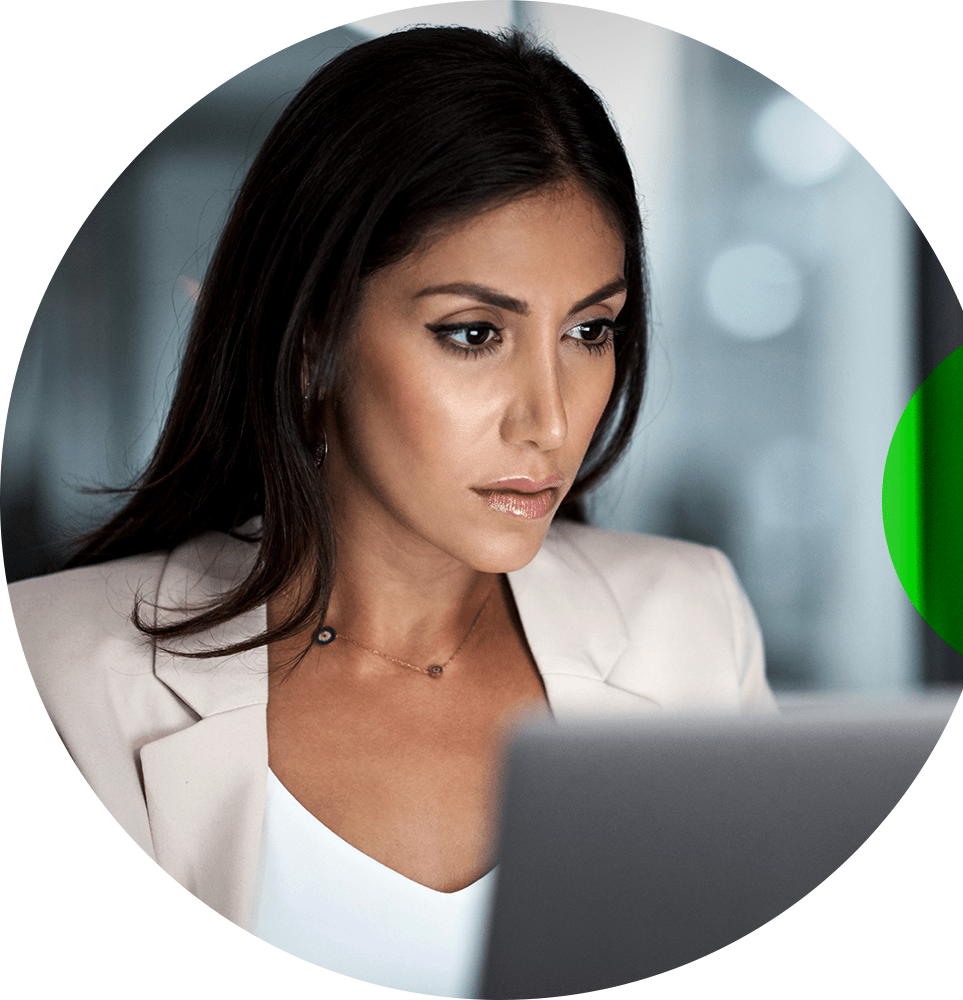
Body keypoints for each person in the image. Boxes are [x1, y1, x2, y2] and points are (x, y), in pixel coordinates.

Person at [9, 25, 775, 997]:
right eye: (472, 333)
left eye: (590, 329)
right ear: (309, 341)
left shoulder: (691, 623)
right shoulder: (51, 669)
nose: (549, 418)